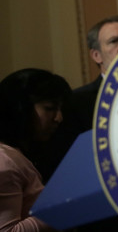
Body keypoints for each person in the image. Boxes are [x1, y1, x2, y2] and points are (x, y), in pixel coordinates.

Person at [0, 68, 71, 232]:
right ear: (20, 108)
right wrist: (63, 207)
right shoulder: (6, 161)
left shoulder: (17, 154)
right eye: (49, 108)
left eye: (60, 109)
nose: (58, 118)